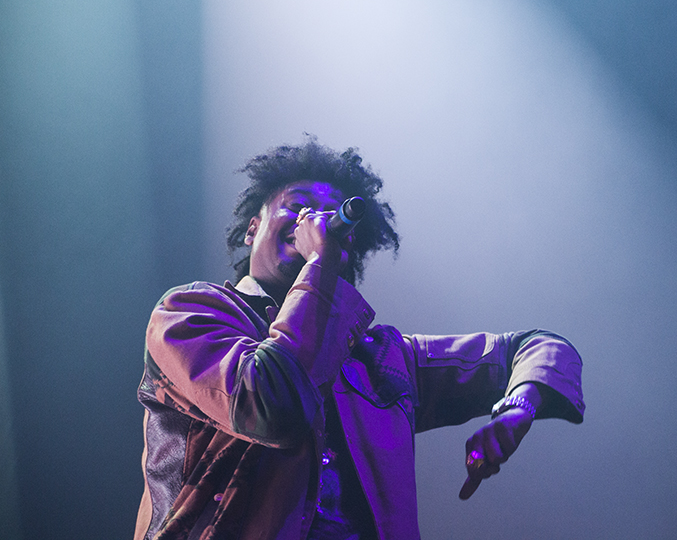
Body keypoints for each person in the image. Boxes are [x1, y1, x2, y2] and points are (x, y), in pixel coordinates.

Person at [134, 138, 585, 540]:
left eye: (333, 218)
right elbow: (271, 405)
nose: (316, 220)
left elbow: (536, 346)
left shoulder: (384, 360)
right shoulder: (191, 313)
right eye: (298, 205)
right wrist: (320, 262)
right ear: (253, 227)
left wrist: (519, 408)